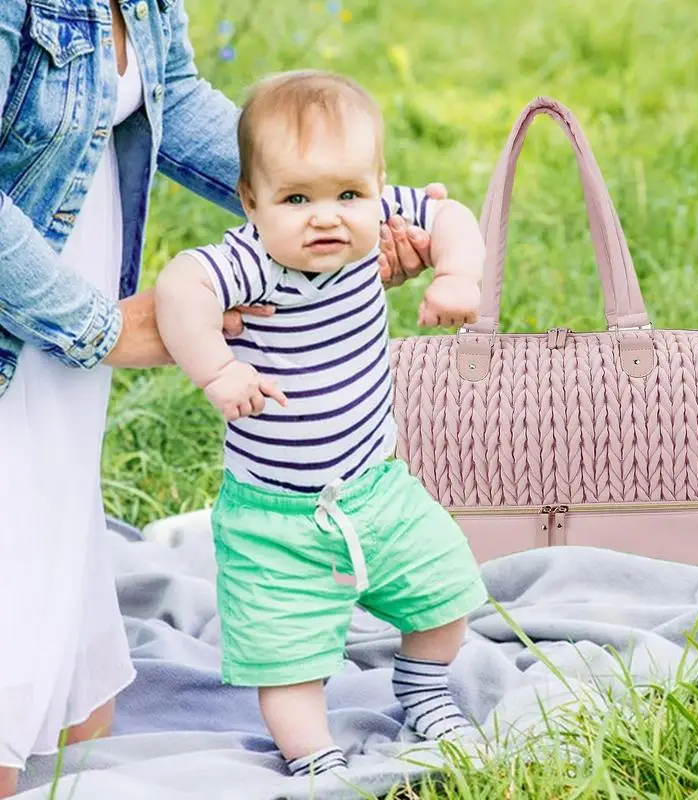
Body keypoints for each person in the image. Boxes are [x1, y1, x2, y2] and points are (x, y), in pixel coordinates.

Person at [0, 3, 441, 795]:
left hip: (59, 306)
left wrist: (334, 210)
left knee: (76, 722)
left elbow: (169, 92)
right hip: (27, 311)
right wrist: (100, 326)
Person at [154, 70, 488, 777]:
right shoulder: (252, 263)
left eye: (348, 195)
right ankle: (316, 759)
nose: (326, 217)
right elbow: (183, 283)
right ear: (251, 201)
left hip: (378, 491)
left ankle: (423, 688)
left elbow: (450, 215)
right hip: (273, 518)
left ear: (376, 184)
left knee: (446, 590)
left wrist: (457, 274)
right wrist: (217, 369)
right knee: (286, 660)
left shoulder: (373, 232)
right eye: (296, 199)